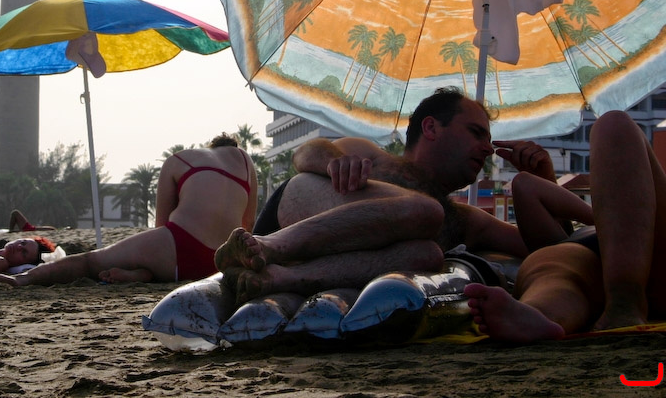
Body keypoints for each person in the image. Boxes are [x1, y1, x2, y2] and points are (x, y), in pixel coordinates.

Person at [215, 87, 557, 303]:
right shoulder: (374, 156)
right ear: (431, 127)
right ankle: (267, 246)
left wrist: (545, 180)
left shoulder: (466, 219)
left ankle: (277, 278)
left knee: (427, 255)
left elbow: (551, 246)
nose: (487, 148)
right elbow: (305, 153)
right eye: (476, 133)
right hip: (296, 211)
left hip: (320, 262)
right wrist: (335, 163)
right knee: (427, 212)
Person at [465, 109, 666, 341]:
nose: (487, 148)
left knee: (613, 124)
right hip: (581, 256)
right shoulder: (460, 216)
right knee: (551, 271)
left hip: (623, 248)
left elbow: (528, 187)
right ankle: (540, 314)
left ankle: (623, 300)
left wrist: (544, 175)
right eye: (475, 133)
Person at [0, 133, 258, 287]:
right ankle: (143, 274)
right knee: (149, 258)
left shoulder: (179, 160)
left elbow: (162, 225)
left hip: (180, 248)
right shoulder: (245, 163)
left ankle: (20, 279)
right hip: (220, 263)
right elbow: (248, 227)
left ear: (210, 146)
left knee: (90, 261)